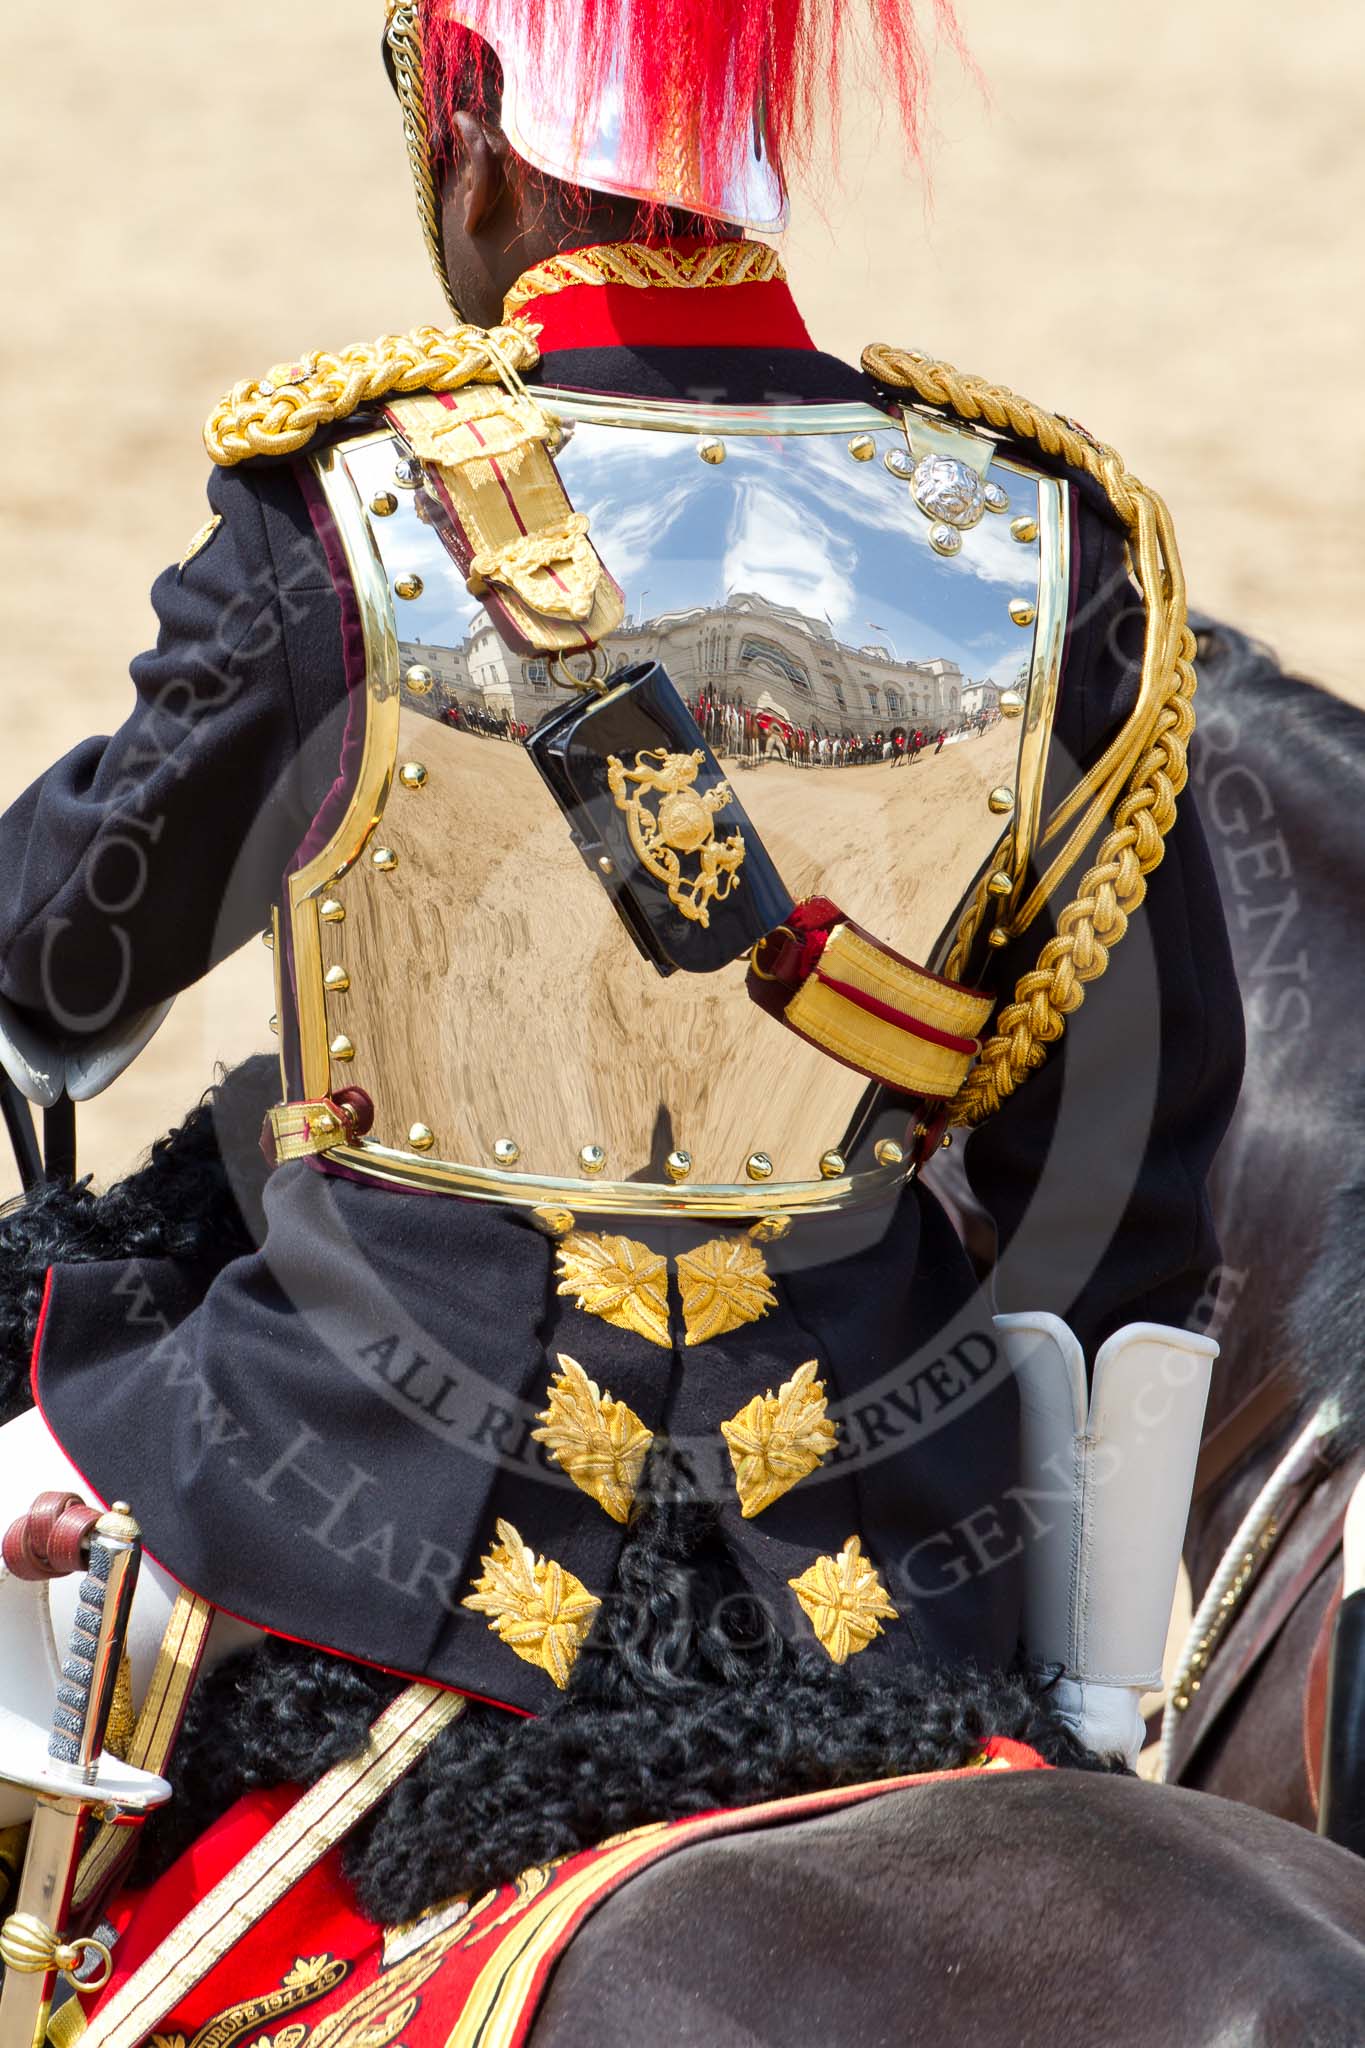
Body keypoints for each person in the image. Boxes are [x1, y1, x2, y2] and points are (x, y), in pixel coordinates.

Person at [0, 0, 1241, 2032]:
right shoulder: (1049, 544)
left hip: (346, 1519)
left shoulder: (349, 513)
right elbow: (1130, 1183)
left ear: (471, 119)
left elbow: (62, 959)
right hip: (875, 1575)